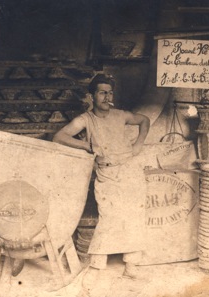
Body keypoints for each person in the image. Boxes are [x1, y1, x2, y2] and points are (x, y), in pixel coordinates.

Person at [53, 74, 150, 285]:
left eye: (110, 92)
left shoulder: (121, 115)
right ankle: (97, 265)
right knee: (108, 218)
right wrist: (87, 146)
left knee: (133, 216)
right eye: (102, 92)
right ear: (91, 96)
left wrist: (139, 144)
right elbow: (59, 137)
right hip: (106, 174)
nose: (107, 97)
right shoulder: (85, 119)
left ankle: (131, 266)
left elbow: (144, 120)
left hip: (129, 171)